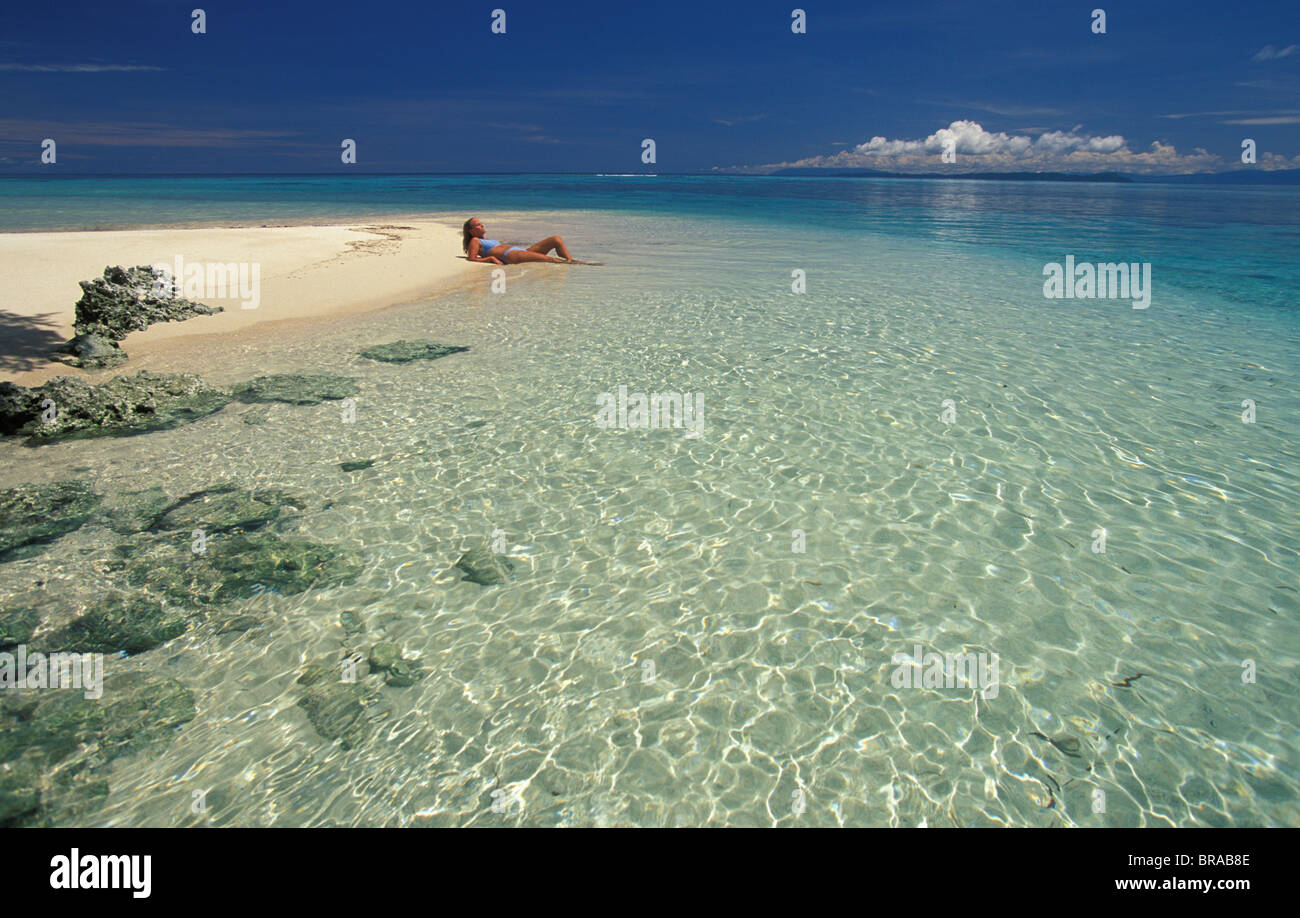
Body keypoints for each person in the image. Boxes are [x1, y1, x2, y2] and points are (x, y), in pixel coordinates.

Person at [461, 217, 595, 265]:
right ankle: (579, 265)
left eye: (481, 223)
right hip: (511, 256)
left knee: (556, 239)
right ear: (471, 230)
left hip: (520, 251)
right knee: (550, 260)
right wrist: (490, 258)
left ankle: (570, 260)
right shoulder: (474, 240)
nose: (482, 225)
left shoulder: (487, 239)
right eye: (478, 224)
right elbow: (472, 259)